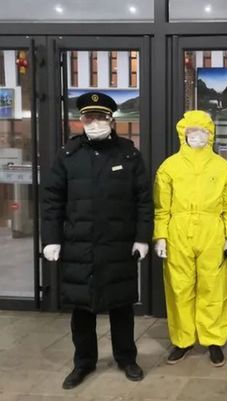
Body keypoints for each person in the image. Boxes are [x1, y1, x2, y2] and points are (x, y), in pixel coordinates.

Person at [42, 92, 152, 389]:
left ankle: (126, 358)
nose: (94, 123)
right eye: (89, 118)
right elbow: (52, 201)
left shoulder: (128, 154)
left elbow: (143, 200)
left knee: (121, 306)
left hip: (119, 245)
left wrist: (142, 238)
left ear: (111, 120)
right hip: (79, 245)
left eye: (100, 117)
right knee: (82, 309)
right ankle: (83, 362)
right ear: (81, 120)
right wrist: (51, 239)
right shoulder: (68, 155)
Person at [153, 110, 227, 367]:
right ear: (183, 133)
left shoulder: (223, 167)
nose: (197, 136)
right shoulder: (169, 167)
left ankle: (213, 340)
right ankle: (183, 340)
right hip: (178, 231)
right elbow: (161, 207)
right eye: (191, 131)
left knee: (214, 286)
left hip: (213, 231)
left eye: (202, 131)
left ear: (210, 134)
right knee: (179, 287)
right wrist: (161, 236)